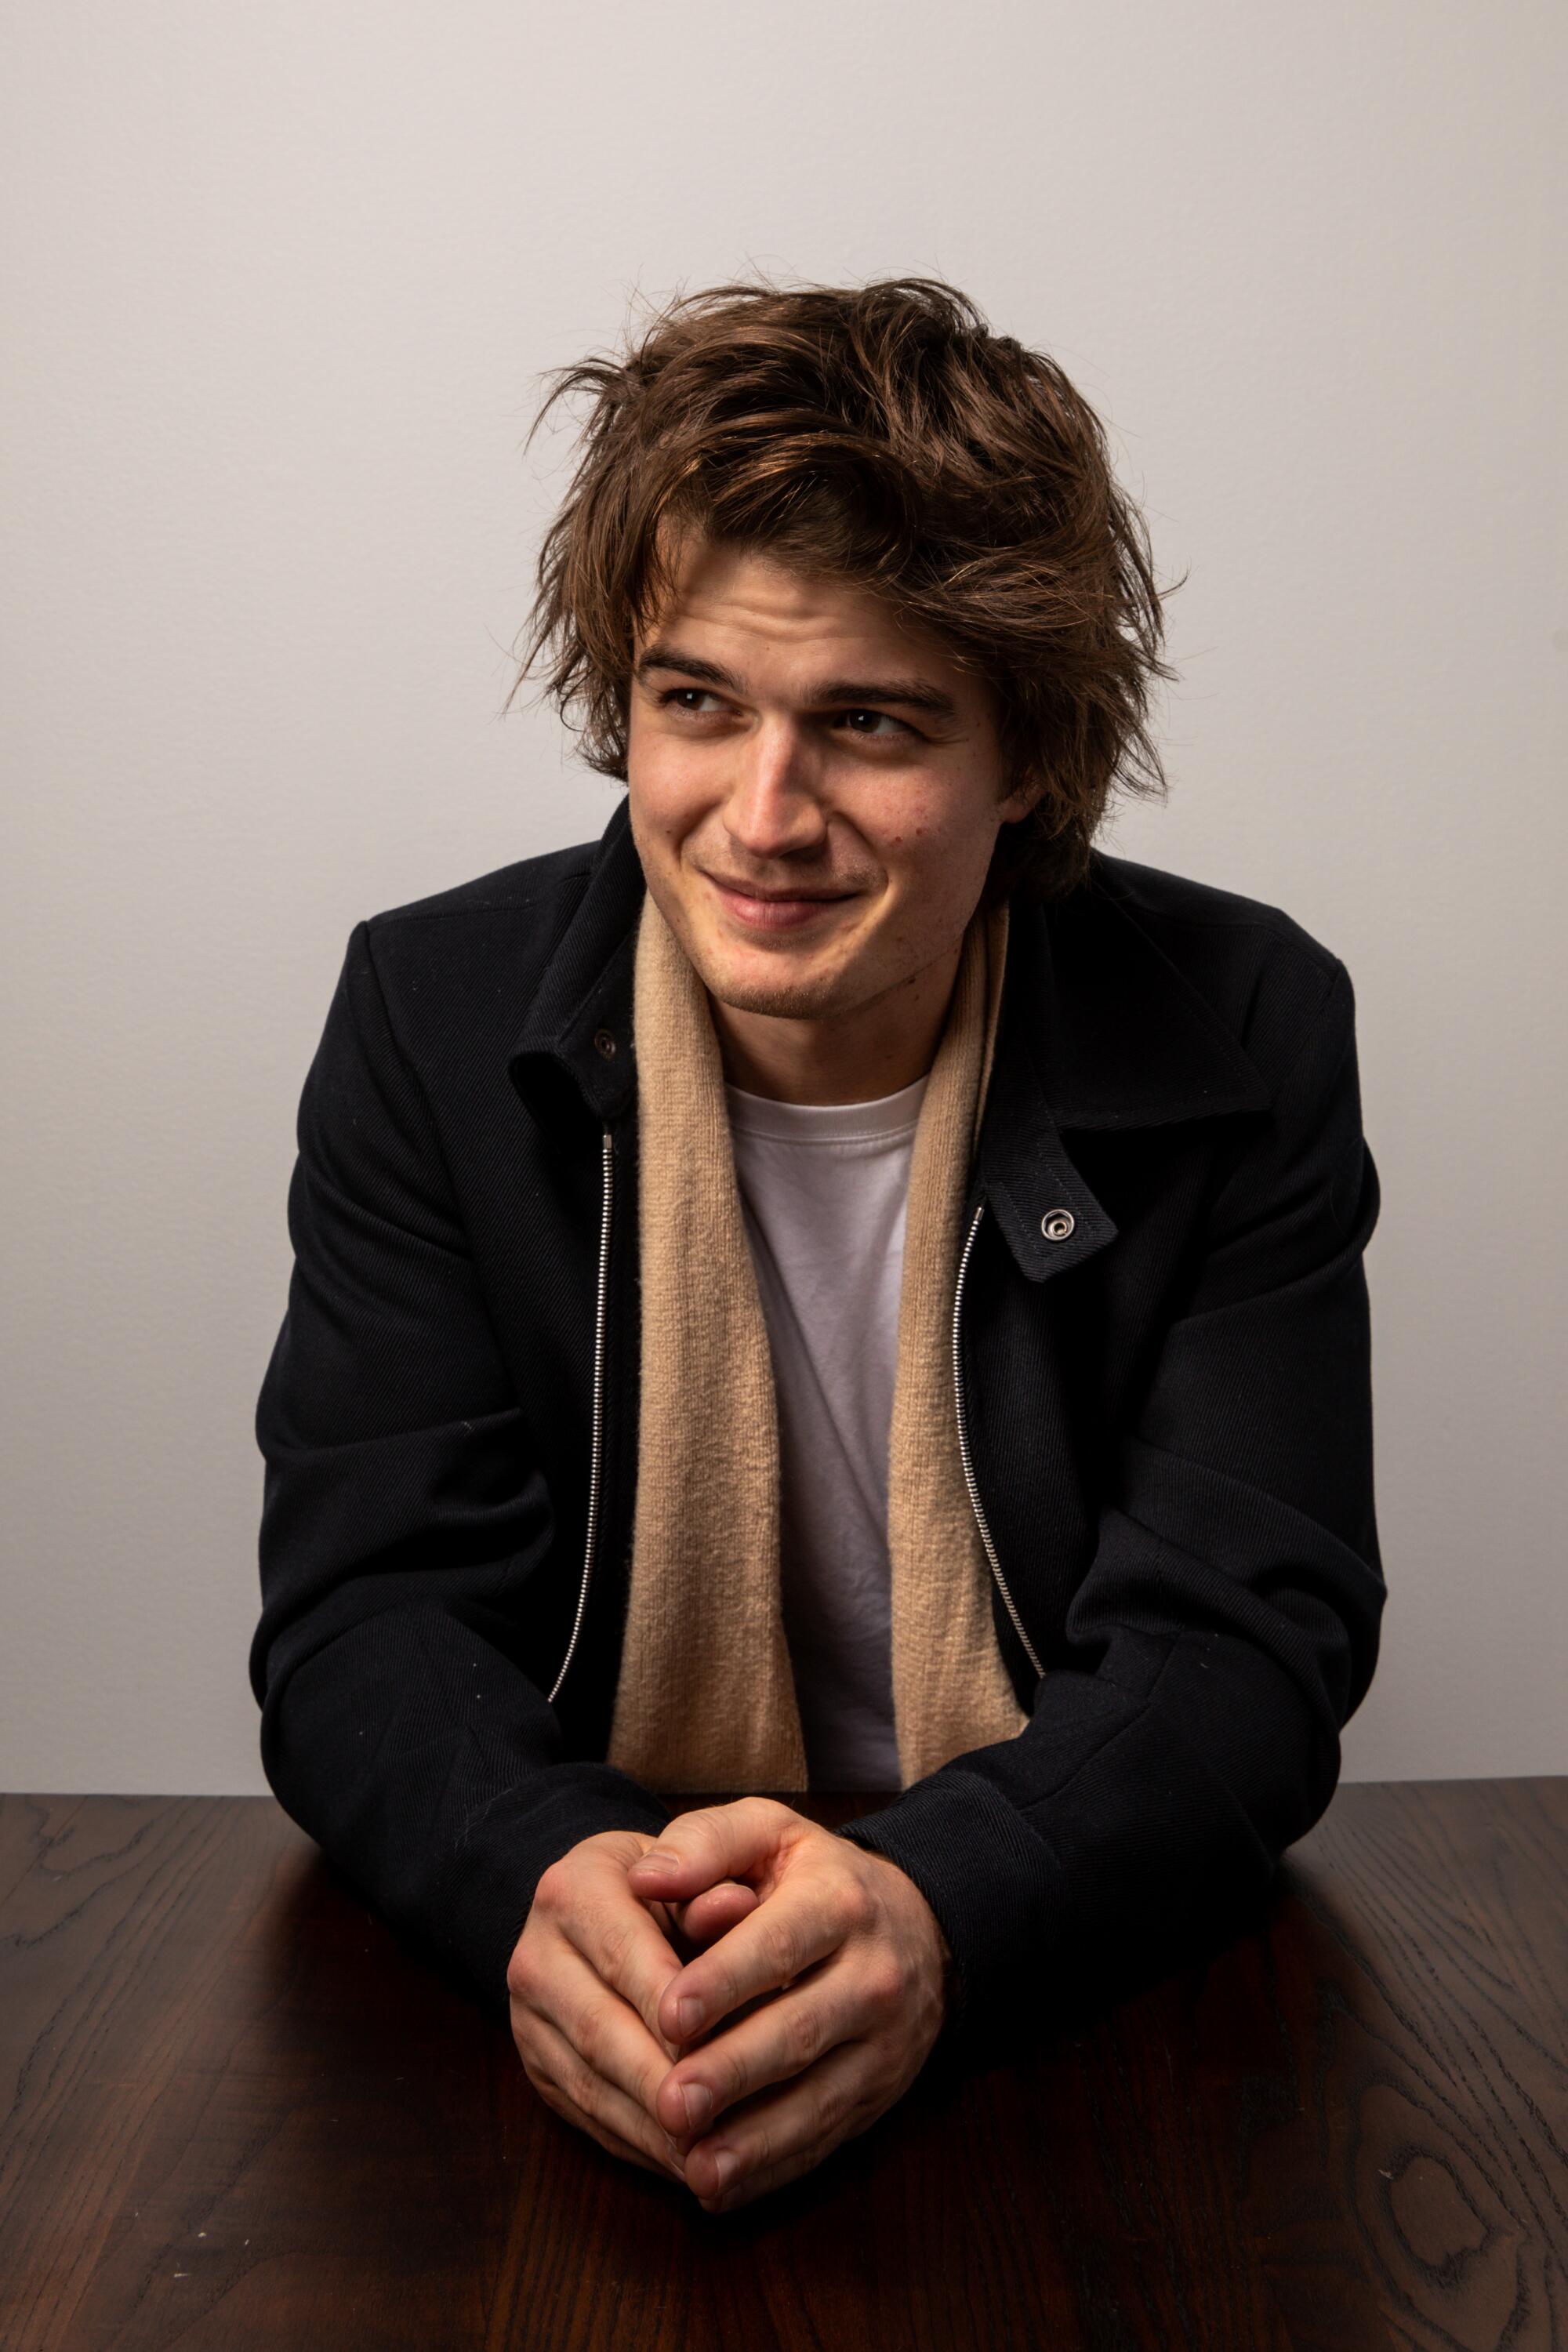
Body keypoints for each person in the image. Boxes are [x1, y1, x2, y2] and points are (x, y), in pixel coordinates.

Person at [250, 276, 1383, 2217]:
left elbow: (1245, 1639)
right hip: (605, 1971)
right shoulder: (428, 1020)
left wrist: (941, 1907)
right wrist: (534, 1873)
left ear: (1026, 755)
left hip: (1056, 1966)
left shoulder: (1242, 1020)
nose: (759, 816)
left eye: (865, 723)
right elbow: (367, 1615)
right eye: (696, 703)